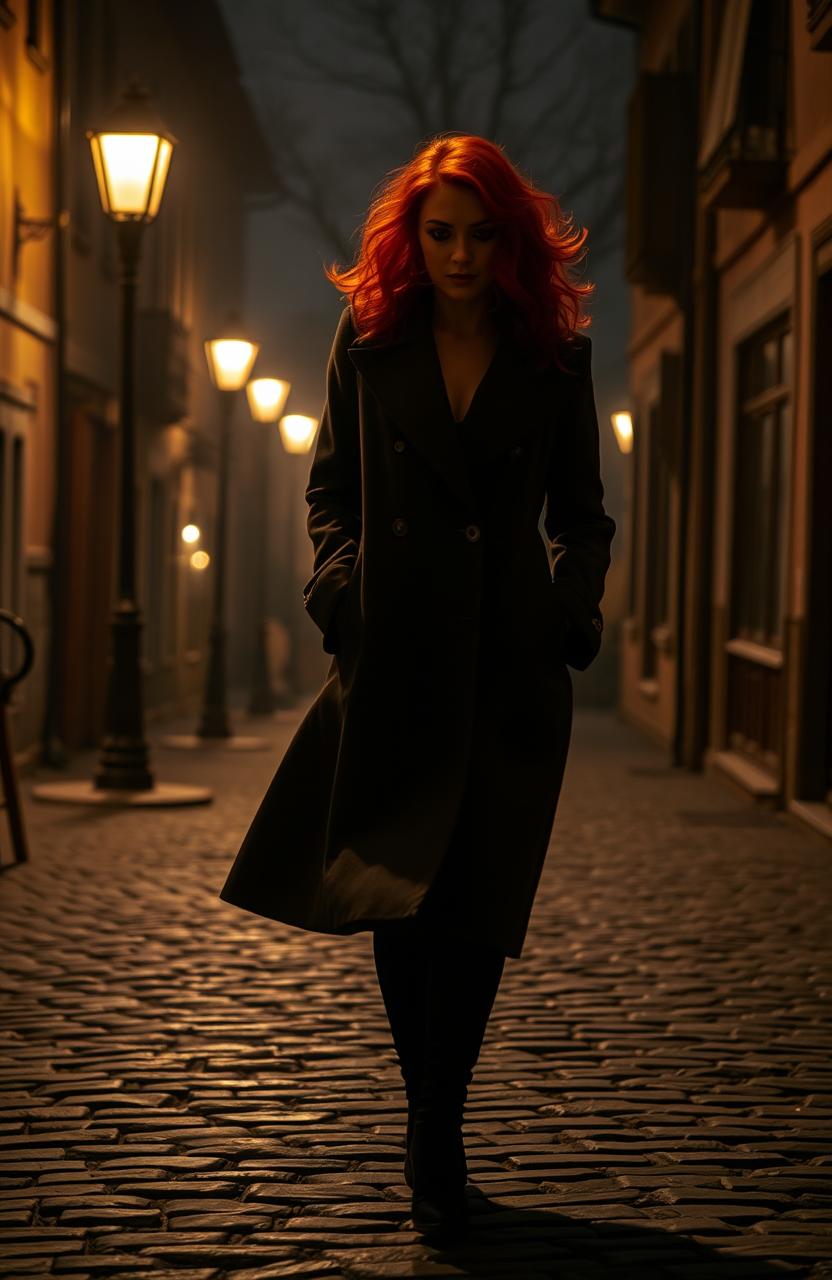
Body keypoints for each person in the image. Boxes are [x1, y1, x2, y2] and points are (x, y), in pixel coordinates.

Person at [218, 133, 616, 1242]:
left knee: (474, 907)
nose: (457, 254)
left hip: (505, 669)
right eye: (438, 233)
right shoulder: (371, 339)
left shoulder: (554, 357)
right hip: (392, 659)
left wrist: (566, 610)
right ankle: (431, 1129)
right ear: (410, 236)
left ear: (511, 240)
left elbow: (581, 515)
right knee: (400, 893)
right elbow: (331, 492)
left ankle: (436, 1121)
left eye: (479, 234)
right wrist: (339, 594)